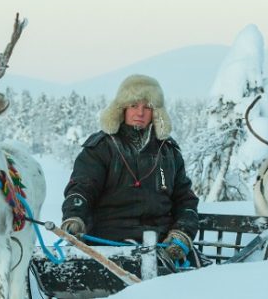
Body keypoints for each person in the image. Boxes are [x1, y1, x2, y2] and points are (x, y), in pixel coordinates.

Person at [60, 74, 200, 267]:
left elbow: (186, 200)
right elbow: (81, 188)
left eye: (147, 107)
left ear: (156, 113)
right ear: (122, 108)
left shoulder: (169, 152)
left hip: (162, 247)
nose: (140, 113)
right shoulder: (101, 147)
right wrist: (74, 217)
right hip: (107, 244)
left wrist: (182, 233)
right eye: (134, 105)